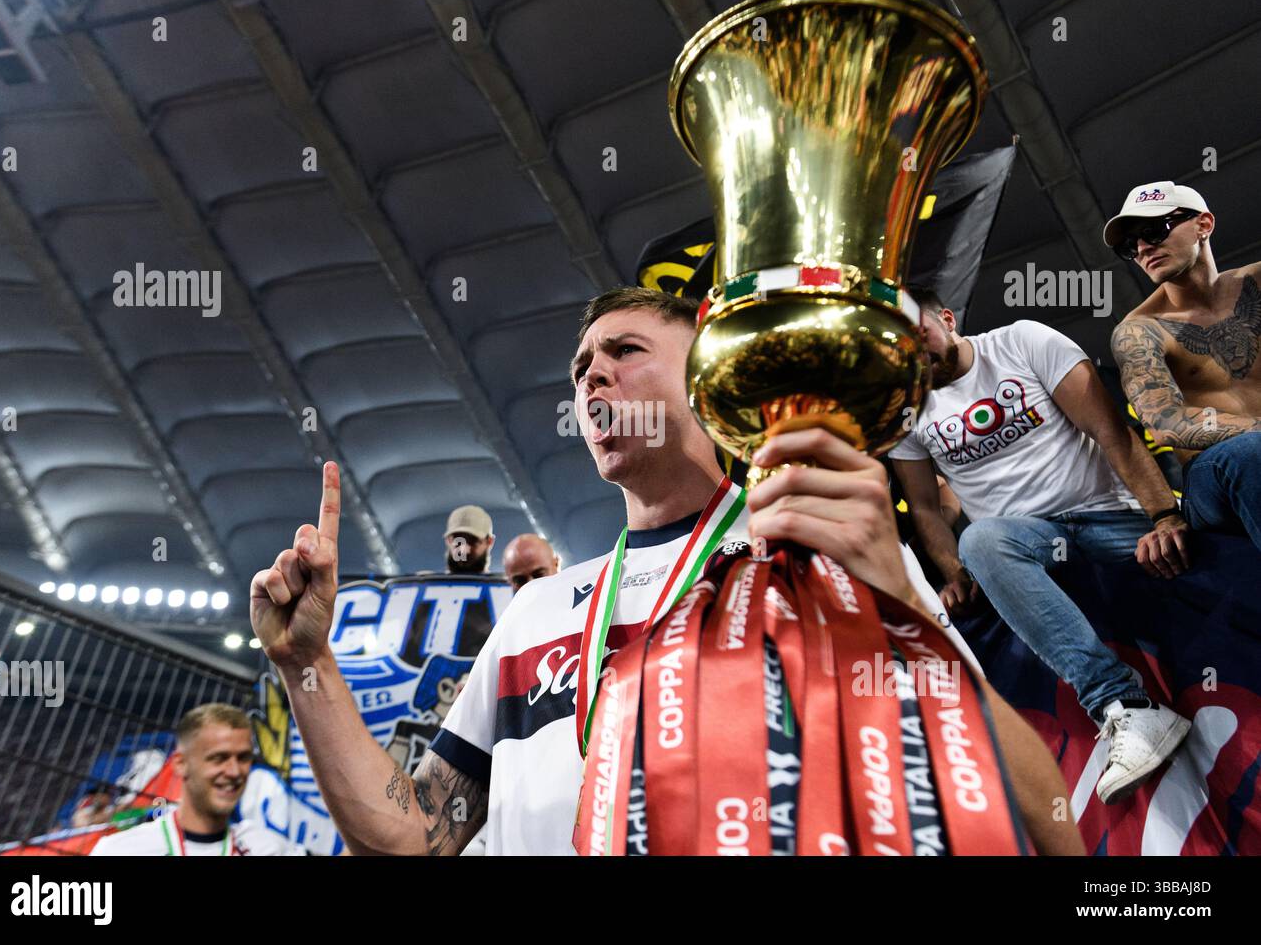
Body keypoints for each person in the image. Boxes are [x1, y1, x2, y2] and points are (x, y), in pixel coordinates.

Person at [250, 286, 1083, 855]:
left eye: (625, 351)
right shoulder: (537, 615)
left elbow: (1039, 814)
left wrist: (897, 601)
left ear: (706, 374)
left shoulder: (819, 544)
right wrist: (306, 666)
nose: (593, 376)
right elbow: (410, 836)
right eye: (581, 369)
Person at [890, 287, 1192, 804]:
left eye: (919, 336)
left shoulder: (1022, 341)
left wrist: (1164, 514)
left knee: (1205, 552)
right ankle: (1126, 708)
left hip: (1109, 517)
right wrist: (954, 574)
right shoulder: (904, 411)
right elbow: (923, 507)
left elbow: (1110, 429)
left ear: (947, 318)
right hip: (1030, 541)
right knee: (980, 543)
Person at [1107, 181, 1261, 551]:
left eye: (1153, 231)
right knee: (1249, 453)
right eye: (1131, 245)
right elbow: (1166, 425)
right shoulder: (1139, 331)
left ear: (1203, 225)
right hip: (1213, 473)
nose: (1143, 248)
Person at [91, 704, 303, 856]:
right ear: (180, 764)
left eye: (243, 758)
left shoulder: (268, 848)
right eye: (218, 758)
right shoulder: (121, 850)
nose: (234, 771)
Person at [443, 505, 494, 574]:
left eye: (473, 541)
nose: (464, 551)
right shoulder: (427, 582)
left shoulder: (507, 584)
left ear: (489, 542)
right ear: (448, 541)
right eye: (458, 541)